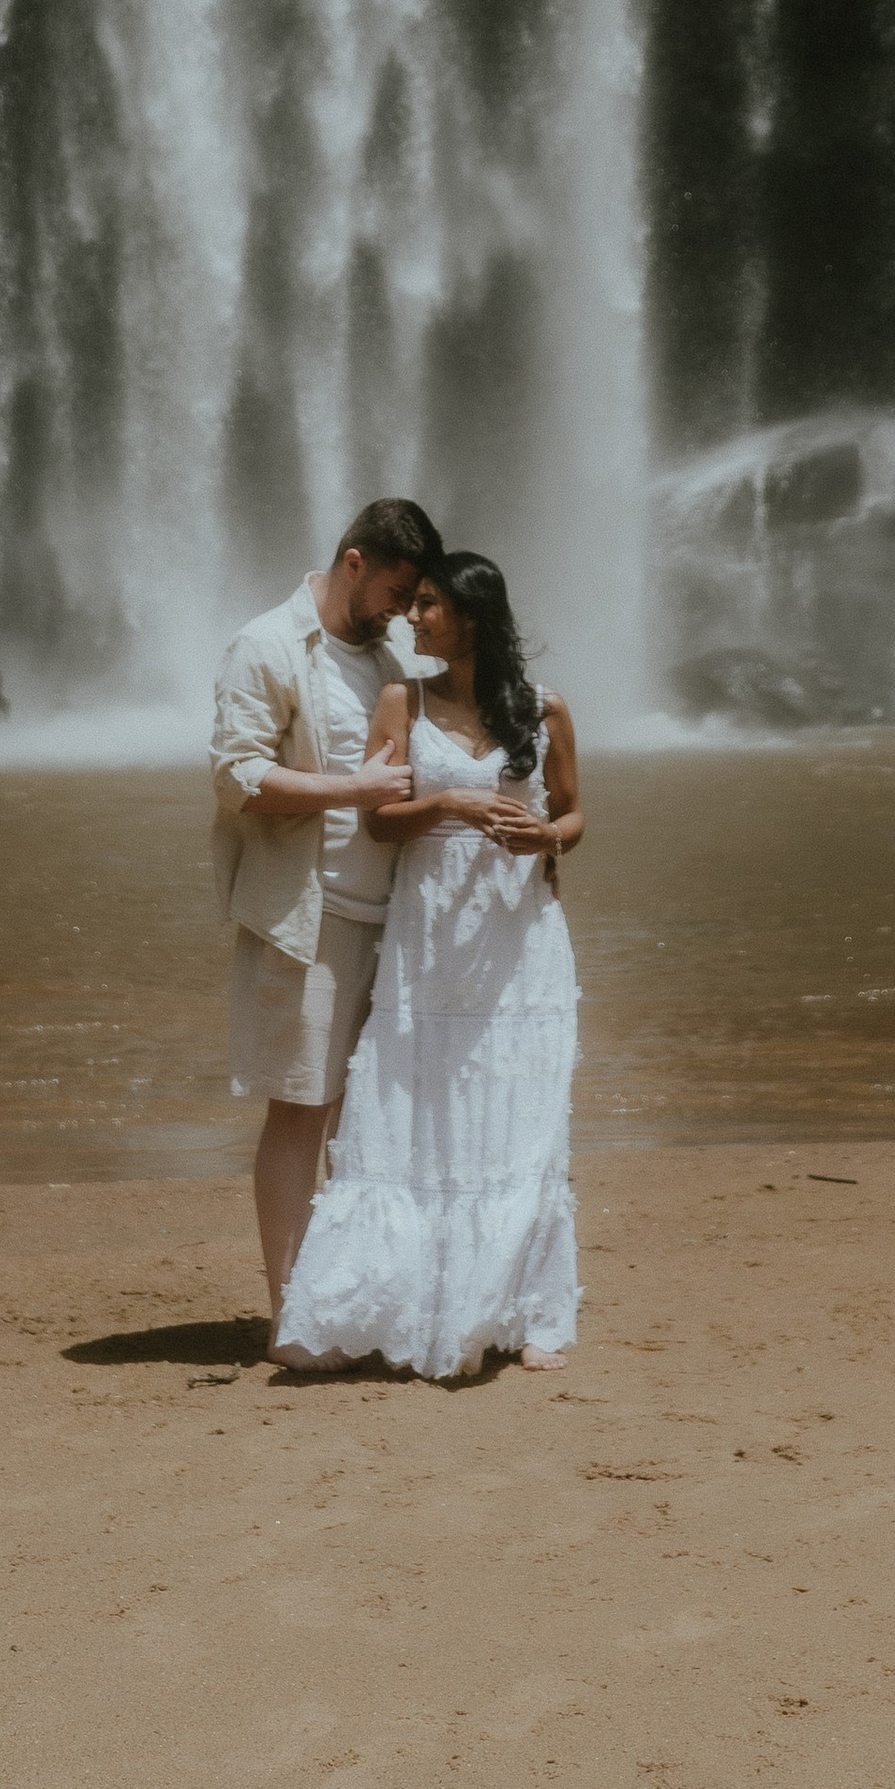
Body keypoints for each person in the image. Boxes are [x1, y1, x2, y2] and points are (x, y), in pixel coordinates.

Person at [269, 550, 583, 1381]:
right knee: (418, 1102)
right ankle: (402, 1294)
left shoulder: (546, 710)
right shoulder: (401, 699)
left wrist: (549, 835)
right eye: (413, 602)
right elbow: (380, 822)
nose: (413, 616)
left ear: (473, 617)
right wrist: (446, 803)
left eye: (431, 605)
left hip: (518, 934)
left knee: (515, 1106)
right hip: (430, 929)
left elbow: (577, 810)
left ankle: (522, 1306)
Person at [209, 497, 445, 1321]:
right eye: (399, 588)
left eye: (420, 596)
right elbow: (236, 777)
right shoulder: (269, 644)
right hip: (310, 918)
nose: (407, 610)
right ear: (356, 563)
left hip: (396, 919)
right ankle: (290, 1315)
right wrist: (354, 787)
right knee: (303, 1111)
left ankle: (347, 1296)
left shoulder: (388, 661)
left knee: (369, 1119)